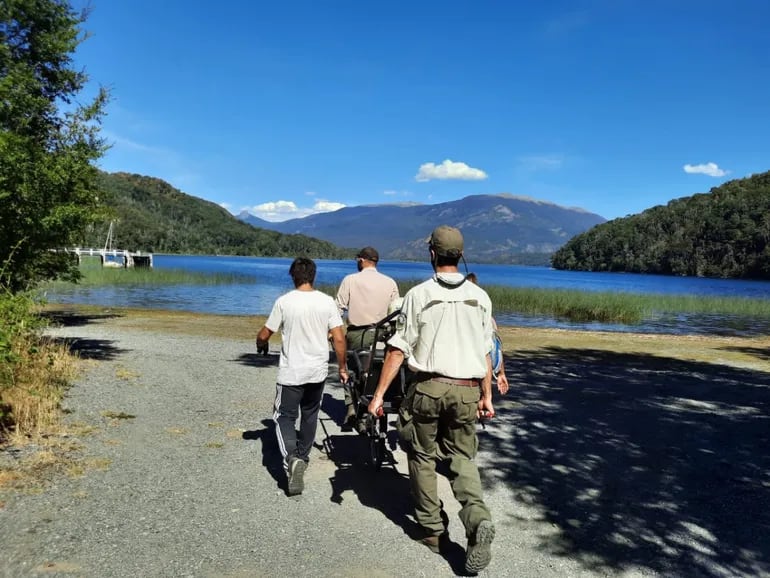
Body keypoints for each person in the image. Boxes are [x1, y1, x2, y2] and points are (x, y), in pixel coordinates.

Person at [367, 225, 496, 574]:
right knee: (461, 457)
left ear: (432, 254)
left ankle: (432, 530)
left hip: (428, 387)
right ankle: (477, 519)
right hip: (468, 389)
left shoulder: (419, 295)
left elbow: (398, 349)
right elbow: (486, 351)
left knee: (422, 456)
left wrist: (378, 396)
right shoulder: (480, 297)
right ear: (460, 254)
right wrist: (486, 395)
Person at [256, 257, 348, 496]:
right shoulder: (327, 302)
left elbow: (266, 333)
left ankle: (290, 458)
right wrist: (342, 367)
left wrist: (260, 343)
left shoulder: (285, 302)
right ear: (313, 276)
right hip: (317, 372)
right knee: (310, 414)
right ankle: (303, 457)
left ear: (293, 276)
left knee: (283, 417)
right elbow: (339, 338)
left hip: (292, 373)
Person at [336, 246, 399, 427]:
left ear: (362, 260)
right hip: (383, 334)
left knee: (348, 367)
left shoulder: (350, 280)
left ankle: (350, 405)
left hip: (358, 334)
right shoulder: (390, 282)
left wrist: (332, 332)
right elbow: (395, 312)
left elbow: (338, 309)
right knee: (380, 367)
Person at [465, 272, 509, 395]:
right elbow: (496, 347)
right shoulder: (488, 317)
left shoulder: (460, 314)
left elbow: (494, 346)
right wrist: (501, 373)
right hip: (481, 371)